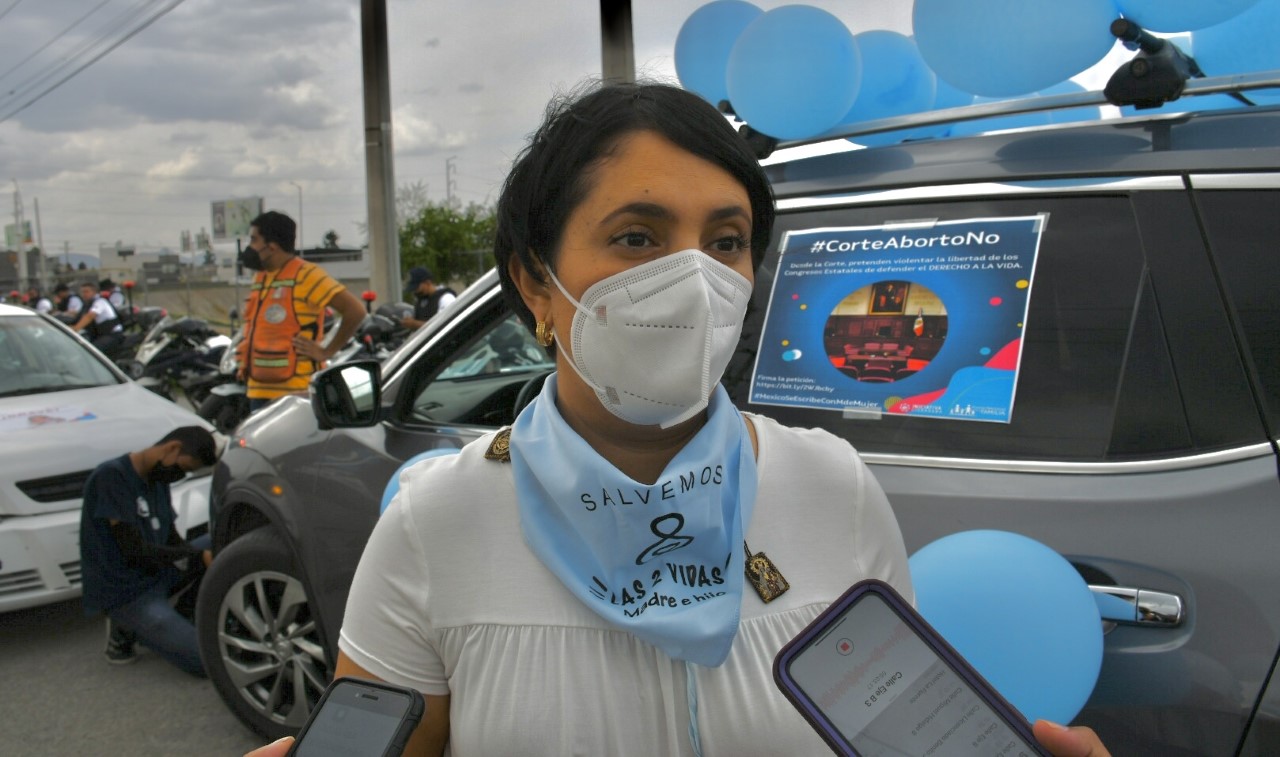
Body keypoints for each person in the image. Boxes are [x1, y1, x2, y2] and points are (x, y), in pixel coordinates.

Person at [256, 83, 1110, 757]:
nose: (695, 281)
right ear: (534, 282)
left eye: (726, 240)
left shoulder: (832, 485)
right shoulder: (438, 521)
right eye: (637, 237)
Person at [79, 425, 217, 676]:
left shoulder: (157, 481)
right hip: (126, 590)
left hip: (157, 570)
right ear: (172, 448)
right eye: (184, 468)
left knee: (221, 543)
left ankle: (185, 615)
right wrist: (198, 559)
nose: (180, 476)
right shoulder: (112, 477)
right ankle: (125, 627)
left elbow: (172, 539)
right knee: (207, 662)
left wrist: (204, 560)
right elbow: (134, 551)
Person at [235, 210, 366, 412]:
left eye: (254, 240)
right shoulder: (261, 277)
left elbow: (355, 311)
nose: (249, 247)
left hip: (295, 394)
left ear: (272, 246)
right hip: (258, 390)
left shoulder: (307, 275)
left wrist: (326, 351)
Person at [72, 280, 125, 354]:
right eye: (82, 292)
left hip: (112, 335)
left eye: (86, 292)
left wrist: (75, 329)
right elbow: (80, 318)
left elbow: (90, 316)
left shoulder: (100, 301)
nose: (84, 294)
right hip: (102, 335)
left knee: (91, 352)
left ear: (94, 292)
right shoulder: (87, 305)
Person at [400, 266, 457, 330]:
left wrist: (415, 324)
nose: (415, 292)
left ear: (428, 283)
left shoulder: (446, 298)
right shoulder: (421, 301)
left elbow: (444, 325)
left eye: (417, 288)